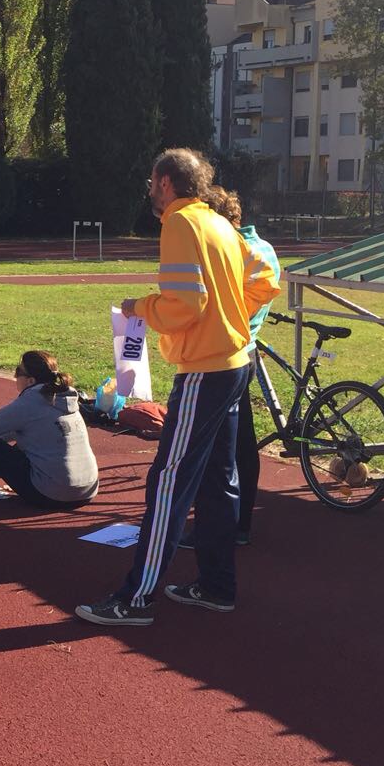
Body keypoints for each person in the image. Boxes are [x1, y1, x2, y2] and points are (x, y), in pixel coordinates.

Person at [76, 149, 281, 628]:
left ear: (166, 183)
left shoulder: (181, 223)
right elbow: (265, 281)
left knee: (169, 480)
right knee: (217, 480)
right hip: (237, 361)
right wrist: (232, 318)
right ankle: (216, 586)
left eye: (153, 182)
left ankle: (138, 598)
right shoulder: (221, 223)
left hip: (206, 369)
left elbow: (186, 303)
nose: (150, 191)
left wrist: (141, 306)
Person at [208, 186, 279, 546]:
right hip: (246, 351)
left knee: (215, 448)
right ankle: (240, 525)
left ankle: (222, 528)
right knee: (241, 443)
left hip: (221, 356)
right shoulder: (264, 248)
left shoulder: (231, 252)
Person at [0, 351, 99, 509]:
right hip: (87, 491)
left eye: (18, 371)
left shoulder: (30, 402)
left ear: (30, 380)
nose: (15, 376)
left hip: (51, 494)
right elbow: (20, 429)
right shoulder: (66, 399)